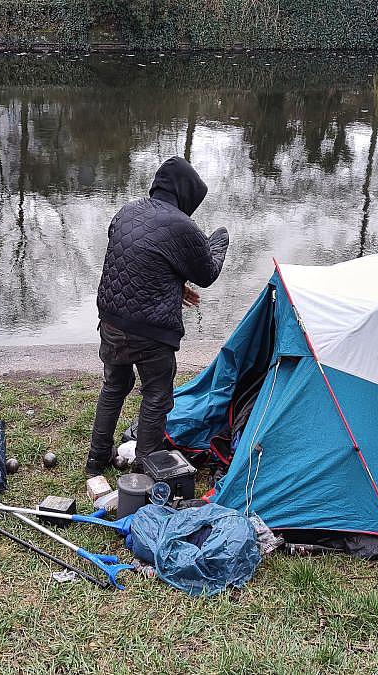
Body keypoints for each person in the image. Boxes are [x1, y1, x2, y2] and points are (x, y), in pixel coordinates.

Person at [86, 157, 230, 477]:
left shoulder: (126, 211)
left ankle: (96, 459)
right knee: (156, 394)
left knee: (115, 384)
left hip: (111, 320)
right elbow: (206, 273)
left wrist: (174, 287)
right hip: (150, 331)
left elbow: (139, 260)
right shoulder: (183, 226)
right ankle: (145, 468)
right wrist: (218, 240)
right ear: (186, 194)